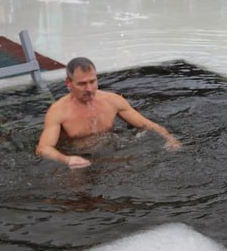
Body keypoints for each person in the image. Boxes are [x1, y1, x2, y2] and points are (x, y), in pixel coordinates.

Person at [36, 57, 181, 168]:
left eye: (92, 81)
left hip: (110, 152)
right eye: (82, 84)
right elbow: (43, 149)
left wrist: (169, 138)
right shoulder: (58, 111)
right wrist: (67, 160)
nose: (89, 89)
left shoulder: (112, 101)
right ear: (68, 83)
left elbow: (145, 124)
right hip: (75, 156)